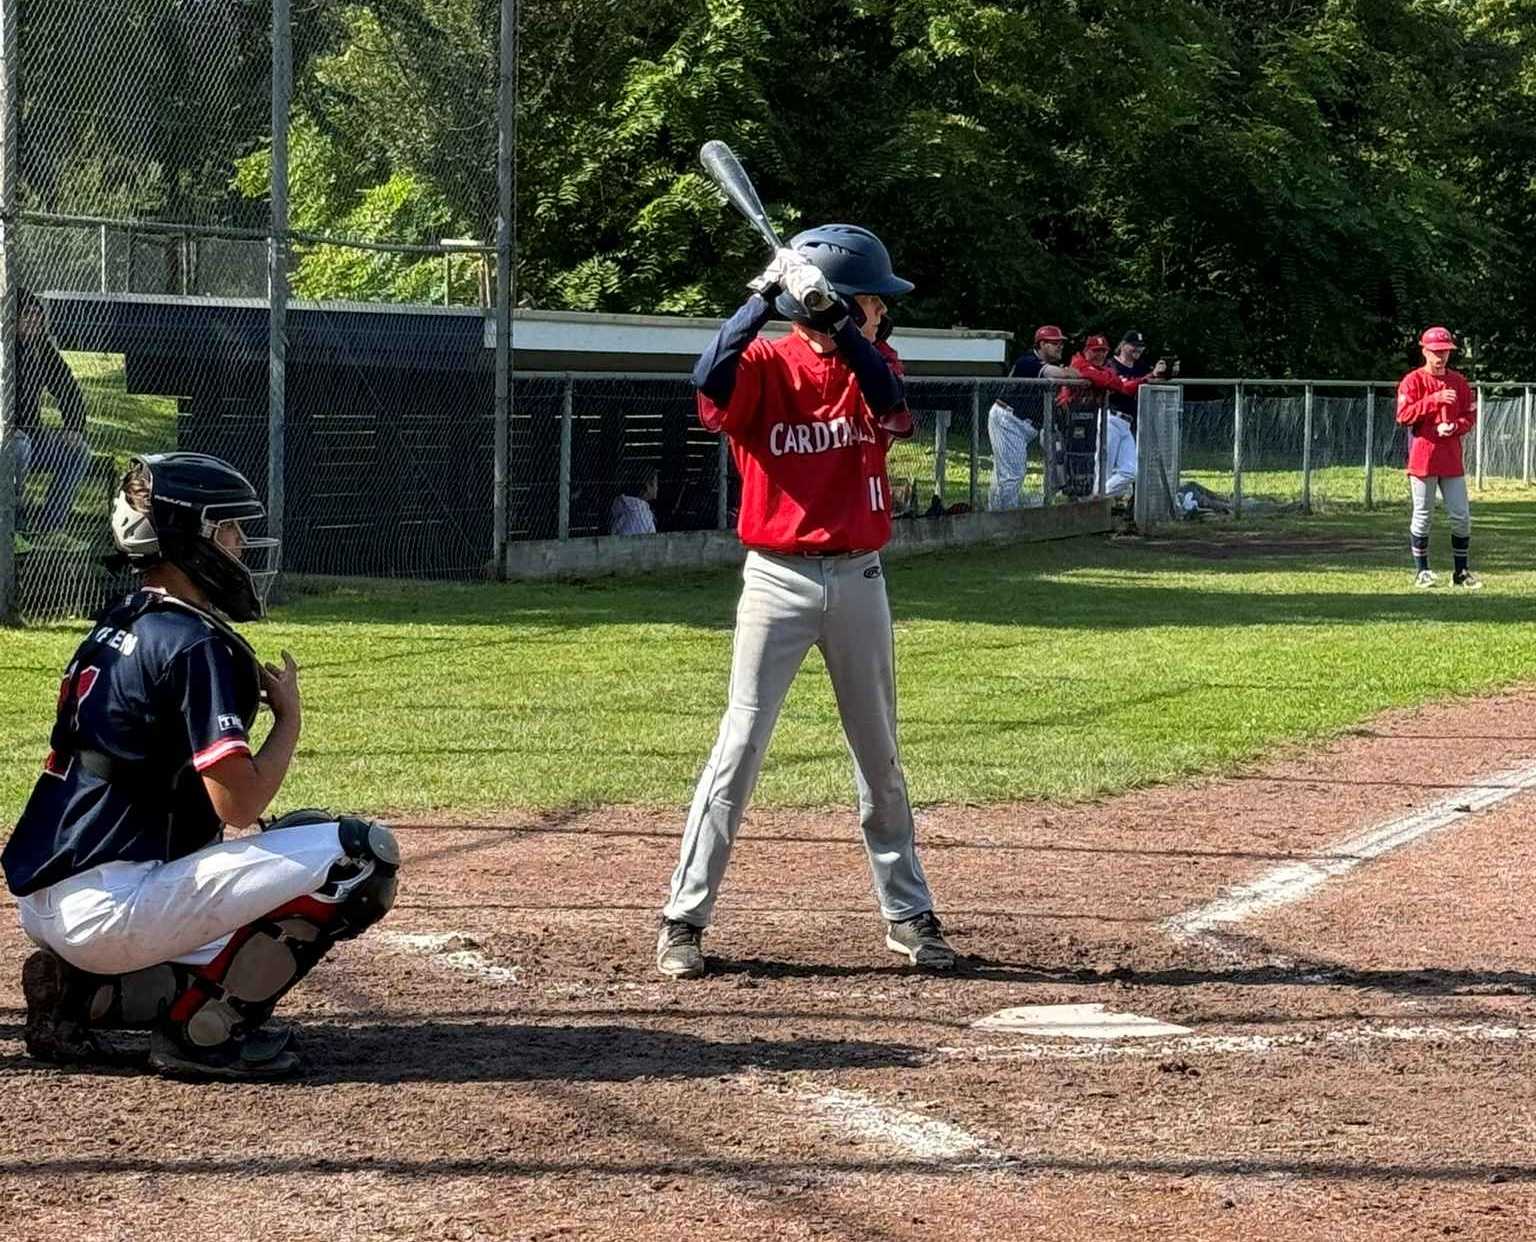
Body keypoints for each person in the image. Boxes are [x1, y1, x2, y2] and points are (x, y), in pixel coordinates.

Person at [2, 452, 402, 1080]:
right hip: (113, 906)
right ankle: (203, 1033)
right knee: (357, 855)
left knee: (294, 845)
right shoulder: (197, 642)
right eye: (231, 530)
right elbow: (238, 807)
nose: (242, 545)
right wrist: (289, 721)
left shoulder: (122, 617)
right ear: (196, 536)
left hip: (57, 900)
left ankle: (88, 997)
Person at [655, 223, 956, 979]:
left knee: (878, 752)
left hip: (859, 575)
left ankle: (909, 914)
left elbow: (888, 398)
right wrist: (761, 296)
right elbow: (706, 376)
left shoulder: (872, 361)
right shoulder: (763, 360)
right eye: (874, 303)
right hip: (775, 578)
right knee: (740, 748)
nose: (884, 314)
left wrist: (840, 324)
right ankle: (684, 920)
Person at [1396, 326, 1480, 589]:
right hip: (1424, 458)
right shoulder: (1413, 380)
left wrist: (1456, 426)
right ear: (1424, 351)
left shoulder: (1459, 381)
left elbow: (1470, 416)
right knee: (1423, 515)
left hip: (1451, 458)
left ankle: (1461, 572)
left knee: (1461, 516)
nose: (1440, 356)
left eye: (1445, 351)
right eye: (1435, 351)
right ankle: (1422, 571)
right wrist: (1433, 399)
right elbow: (1403, 415)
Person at [13, 287, 91, 541]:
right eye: (27, 314)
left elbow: (67, 386)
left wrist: (74, 427)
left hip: (32, 437)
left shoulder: (41, 348)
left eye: (38, 314)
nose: (35, 320)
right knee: (19, 446)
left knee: (78, 452)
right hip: (8, 441)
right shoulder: (5, 348)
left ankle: (51, 528)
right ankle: (14, 528)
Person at [990, 325, 1078, 510]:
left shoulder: (1040, 364)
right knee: (1012, 474)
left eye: (1061, 343)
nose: (1060, 346)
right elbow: (1063, 374)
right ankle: (1004, 520)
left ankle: (997, 514)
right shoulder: (1028, 361)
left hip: (1023, 424)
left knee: (1007, 474)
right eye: (1055, 343)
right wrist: (1069, 371)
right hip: (1009, 419)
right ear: (1042, 344)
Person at [1106, 330, 1170, 429]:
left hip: (1135, 421)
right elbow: (1124, 387)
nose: (1138, 349)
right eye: (1134, 345)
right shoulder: (1111, 365)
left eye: (1141, 346)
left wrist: (1167, 372)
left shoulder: (1141, 366)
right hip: (1113, 419)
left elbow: (1155, 382)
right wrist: (1151, 375)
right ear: (1123, 345)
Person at [610, 466, 659, 535]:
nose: (657, 488)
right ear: (648, 485)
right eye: (656, 484)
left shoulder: (624, 507)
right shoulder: (640, 514)